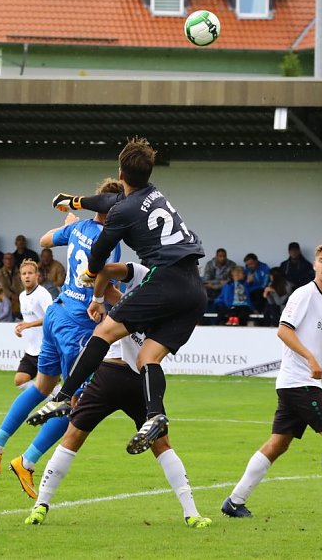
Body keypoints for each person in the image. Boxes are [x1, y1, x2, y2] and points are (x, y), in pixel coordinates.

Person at [29, 137, 206, 457]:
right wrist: (75, 201)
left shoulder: (123, 210)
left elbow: (99, 250)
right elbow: (109, 202)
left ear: (120, 172)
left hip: (164, 279)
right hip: (195, 289)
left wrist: (91, 272)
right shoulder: (154, 194)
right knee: (148, 358)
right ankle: (155, 416)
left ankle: (63, 396)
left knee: (104, 332)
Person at [24, 261, 210, 529]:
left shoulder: (148, 277)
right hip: (136, 378)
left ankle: (40, 506)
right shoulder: (184, 295)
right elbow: (112, 282)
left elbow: (109, 280)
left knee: (73, 438)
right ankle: (191, 512)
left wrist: (93, 283)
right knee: (162, 444)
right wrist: (97, 286)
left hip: (112, 375)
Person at [0, 179, 122, 499]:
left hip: (56, 314)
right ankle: (27, 462)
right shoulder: (112, 240)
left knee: (42, 387)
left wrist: (68, 225)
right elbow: (103, 283)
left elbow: (44, 240)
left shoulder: (80, 227)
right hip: (77, 326)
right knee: (77, 404)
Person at [221, 240, 322, 524]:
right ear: (315, 264)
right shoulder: (305, 295)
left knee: (278, 444)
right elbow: (284, 332)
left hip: (296, 384)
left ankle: (234, 501)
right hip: (299, 383)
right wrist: (310, 360)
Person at [13, 260, 53, 390]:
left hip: (46, 348)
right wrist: (20, 328)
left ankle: (60, 406)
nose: (27, 276)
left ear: (37, 275)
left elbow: (51, 317)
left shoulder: (42, 294)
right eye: (24, 273)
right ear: (20, 277)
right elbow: (28, 319)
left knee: (48, 385)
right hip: (31, 349)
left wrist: (29, 325)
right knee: (20, 381)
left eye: (30, 273)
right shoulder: (22, 296)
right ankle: (50, 399)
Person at [0, 253, 23, 317]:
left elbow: (22, 286)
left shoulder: (20, 272)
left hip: (19, 299)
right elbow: (2, 288)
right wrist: (12, 296)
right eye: (6, 259)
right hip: (6, 300)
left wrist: (20, 296)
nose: (9, 261)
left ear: (14, 260)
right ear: (3, 261)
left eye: (11, 259)